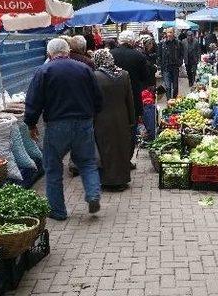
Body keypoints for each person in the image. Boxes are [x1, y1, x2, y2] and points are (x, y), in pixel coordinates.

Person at [24, 38, 103, 220]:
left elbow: (33, 101)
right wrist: (93, 115)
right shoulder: (84, 69)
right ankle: (92, 195)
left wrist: (31, 123)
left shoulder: (43, 71)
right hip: (83, 122)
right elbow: (97, 96)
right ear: (67, 51)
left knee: (52, 167)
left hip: (57, 125)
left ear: (49, 54)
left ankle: (58, 211)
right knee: (87, 162)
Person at [92, 49, 135, 192]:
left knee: (107, 149)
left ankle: (108, 181)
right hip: (122, 117)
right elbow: (129, 99)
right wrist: (131, 120)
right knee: (121, 148)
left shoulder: (95, 76)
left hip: (101, 119)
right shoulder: (124, 74)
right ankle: (122, 179)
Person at [111, 30, 148, 164]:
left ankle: (116, 157)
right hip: (133, 97)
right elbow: (145, 78)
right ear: (132, 41)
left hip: (113, 98)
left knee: (115, 127)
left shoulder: (111, 54)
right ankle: (127, 158)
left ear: (120, 40)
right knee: (131, 127)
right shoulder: (138, 56)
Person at [158, 28, 183, 98]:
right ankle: (169, 101)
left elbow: (181, 54)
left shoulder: (178, 43)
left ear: (173, 33)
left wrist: (180, 63)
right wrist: (160, 66)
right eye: (168, 32)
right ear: (166, 33)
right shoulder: (162, 43)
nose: (169, 34)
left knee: (175, 87)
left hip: (175, 67)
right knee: (168, 87)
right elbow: (159, 55)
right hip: (166, 68)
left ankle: (174, 100)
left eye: (171, 32)